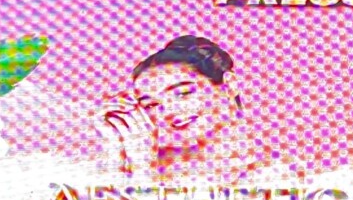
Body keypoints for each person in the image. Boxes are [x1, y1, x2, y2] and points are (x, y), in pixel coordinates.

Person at [100, 35, 270, 183]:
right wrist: (114, 146)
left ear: (230, 85)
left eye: (183, 93)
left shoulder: (271, 172)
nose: (168, 111)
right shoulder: (149, 160)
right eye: (151, 105)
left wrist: (145, 172)